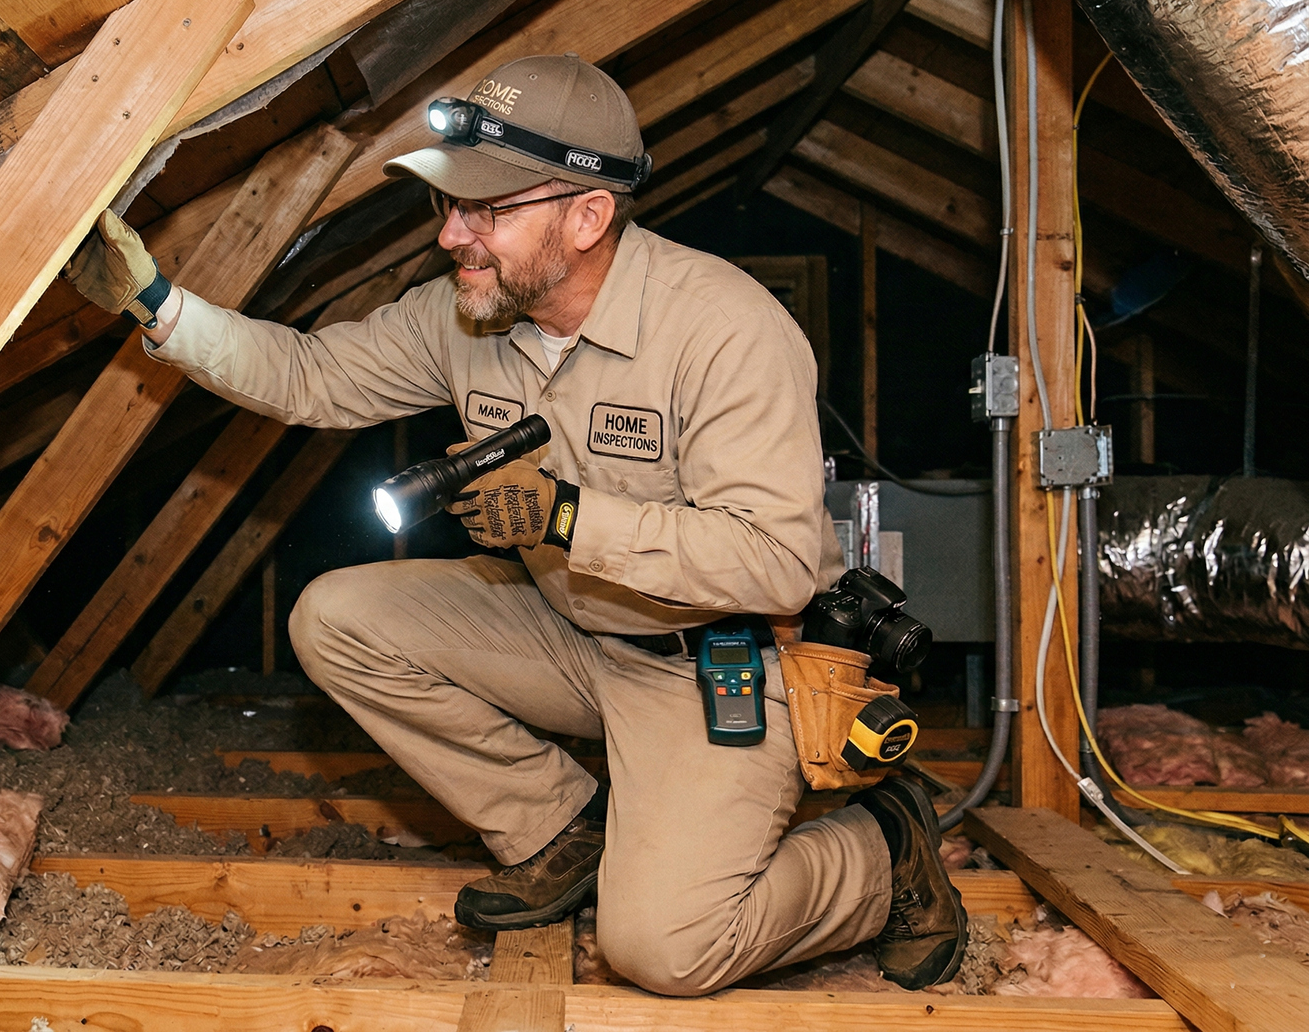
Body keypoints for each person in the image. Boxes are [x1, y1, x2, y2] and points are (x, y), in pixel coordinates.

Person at [62, 53, 965, 995]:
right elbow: (310, 375)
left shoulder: (723, 329)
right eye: (451, 206)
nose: (454, 234)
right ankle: (563, 824)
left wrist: (570, 515)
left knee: (666, 948)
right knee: (335, 617)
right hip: (573, 632)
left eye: (487, 212)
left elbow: (778, 564)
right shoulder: (467, 320)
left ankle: (882, 842)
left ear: (586, 215)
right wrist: (157, 303)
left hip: (718, 661)